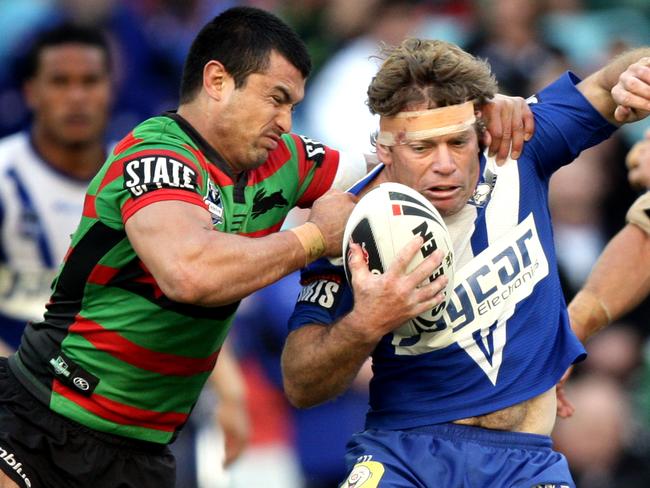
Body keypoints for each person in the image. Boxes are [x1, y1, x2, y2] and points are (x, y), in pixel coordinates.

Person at [0, 7, 534, 487]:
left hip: (143, 449)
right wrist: (311, 238)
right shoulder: (155, 155)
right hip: (41, 418)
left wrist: (474, 119)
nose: (286, 120)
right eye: (276, 99)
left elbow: (390, 181)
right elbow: (190, 273)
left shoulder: (285, 159)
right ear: (216, 81)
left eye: (294, 105)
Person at [282, 37, 650, 487]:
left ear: (479, 130)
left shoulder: (517, 144)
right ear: (384, 148)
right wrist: (367, 322)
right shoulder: (352, 226)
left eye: (457, 142)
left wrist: (634, 75)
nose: (445, 166)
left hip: (527, 462)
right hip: (403, 456)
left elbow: (610, 82)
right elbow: (301, 382)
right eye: (421, 148)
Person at [0, 24, 112, 355]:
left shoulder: (139, 176)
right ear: (31, 93)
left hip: (117, 381)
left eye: (90, 82)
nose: (77, 97)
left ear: (110, 89)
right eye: (60, 82)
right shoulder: (5, 175)